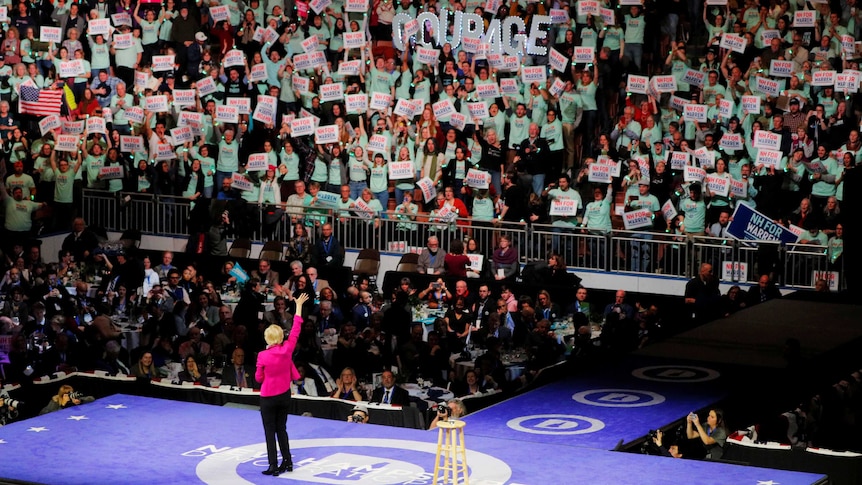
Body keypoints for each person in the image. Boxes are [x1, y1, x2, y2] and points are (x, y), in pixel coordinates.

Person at [255, 293, 309, 476]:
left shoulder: (262, 356)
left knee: (270, 432)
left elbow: (258, 379)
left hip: (268, 398)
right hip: (285, 395)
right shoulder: (287, 349)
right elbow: (296, 329)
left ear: (267, 338)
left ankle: (273, 465)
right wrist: (298, 306)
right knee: (282, 429)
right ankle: (288, 462)